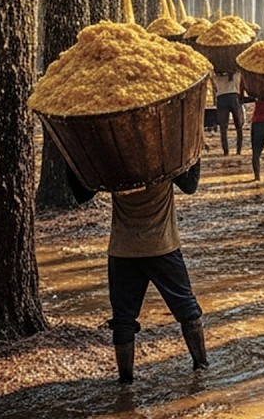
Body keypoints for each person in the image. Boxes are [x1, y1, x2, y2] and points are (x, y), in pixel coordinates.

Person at [104, 162, 208, 384]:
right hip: (162, 247)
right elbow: (190, 185)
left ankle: (125, 384)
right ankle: (202, 370)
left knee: (123, 319)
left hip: (123, 250)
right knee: (188, 310)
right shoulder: (162, 156)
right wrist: (196, 151)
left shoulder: (111, 161)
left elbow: (81, 192)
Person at [212, 71, 244, 155]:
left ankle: (226, 151)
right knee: (239, 126)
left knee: (223, 128)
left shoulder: (216, 76)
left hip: (221, 98)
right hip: (234, 97)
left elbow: (214, 87)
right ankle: (238, 150)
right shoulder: (235, 74)